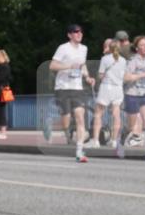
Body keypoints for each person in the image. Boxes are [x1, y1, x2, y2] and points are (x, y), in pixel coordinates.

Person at [50, 24, 95, 163]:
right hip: (63, 87)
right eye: (76, 32)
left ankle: (79, 151)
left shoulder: (84, 49)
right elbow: (52, 66)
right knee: (66, 120)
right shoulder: (63, 48)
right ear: (69, 35)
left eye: (81, 31)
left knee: (80, 117)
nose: (79, 34)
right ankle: (58, 128)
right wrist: (69, 66)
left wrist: (87, 77)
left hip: (77, 87)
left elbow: (83, 65)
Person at [91, 39, 126, 154]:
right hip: (118, 89)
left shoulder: (105, 59)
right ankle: (114, 140)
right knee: (116, 115)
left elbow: (100, 75)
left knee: (98, 114)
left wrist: (103, 76)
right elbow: (123, 76)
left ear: (109, 48)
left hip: (107, 87)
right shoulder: (123, 60)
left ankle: (96, 140)